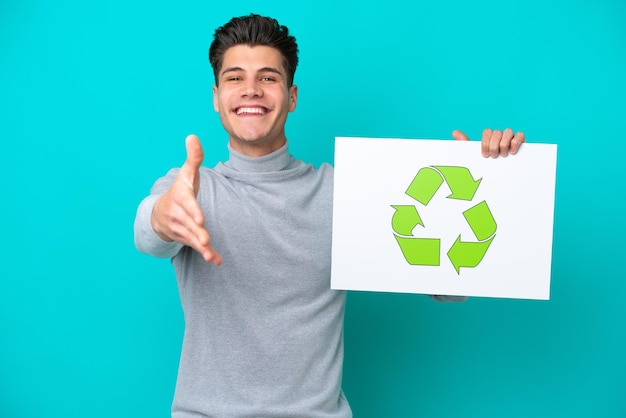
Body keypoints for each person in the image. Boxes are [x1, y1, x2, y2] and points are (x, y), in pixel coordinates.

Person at [133, 13, 525, 418]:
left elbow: (450, 287)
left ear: (292, 96)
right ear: (216, 97)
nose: (251, 90)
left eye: (268, 78)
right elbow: (149, 231)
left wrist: (487, 175)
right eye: (235, 78)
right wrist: (163, 217)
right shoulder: (191, 187)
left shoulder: (345, 192)